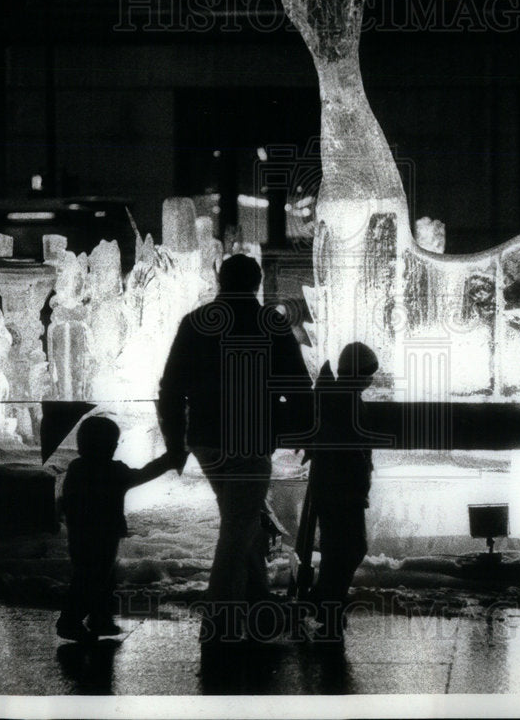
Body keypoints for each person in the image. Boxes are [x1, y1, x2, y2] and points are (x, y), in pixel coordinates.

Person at [158, 254, 312, 643]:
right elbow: (296, 386)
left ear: (220, 280)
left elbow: (171, 389)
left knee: (240, 518)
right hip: (250, 438)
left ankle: (257, 602)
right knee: (238, 525)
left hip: (207, 439)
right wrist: (299, 433)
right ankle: (220, 621)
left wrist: (176, 444)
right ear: (257, 282)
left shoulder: (195, 322)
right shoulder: (270, 323)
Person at [56, 416, 177, 642]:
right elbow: (144, 474)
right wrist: (169, 459)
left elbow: (66, 502)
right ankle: (70, 621)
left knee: (92, 576)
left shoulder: (76, 468)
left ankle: (99, 618)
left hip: (80, 535)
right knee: (98, 578)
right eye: (114, 443)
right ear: (110, 446)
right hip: (105, 535)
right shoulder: (114, 471)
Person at [306, 342, 379, 642]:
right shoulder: (346, 400)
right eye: (368, 374)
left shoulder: (337, 395)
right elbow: (352, 447)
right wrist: (363, 470)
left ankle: (326, 603)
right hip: (343, 490)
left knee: (338, 549)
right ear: (357, 373)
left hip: (331, 487)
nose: (371, 380)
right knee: (351, 548)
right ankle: (326, 602)